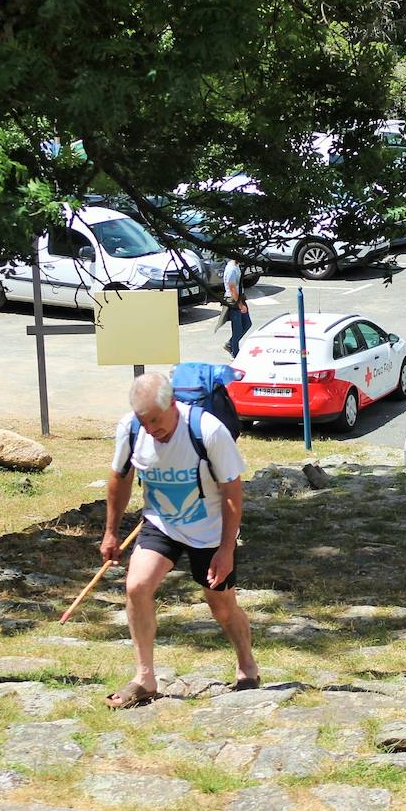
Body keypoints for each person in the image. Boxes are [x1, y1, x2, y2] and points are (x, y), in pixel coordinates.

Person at [101, 372, 259, 708]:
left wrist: (226, 549)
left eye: (155, 421)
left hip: (210, 531)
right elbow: (119, 477)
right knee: (136, 587)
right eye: (144, 422)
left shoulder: (208, 431)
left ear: (174, 404)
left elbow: (233, 492)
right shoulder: (131, 428)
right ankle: (144, 678)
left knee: (222, 607)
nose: (150, 429)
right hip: (161, 524)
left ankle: (247, 665)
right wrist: (111, 531)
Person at [222, 258, 251, 358]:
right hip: (233, 300)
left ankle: (230, 343)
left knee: (247, 323)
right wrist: (240, 305)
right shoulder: (231, 269)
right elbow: (232, 288)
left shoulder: (236, 266)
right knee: (237, 329)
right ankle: (235, 353)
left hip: (240, 297)